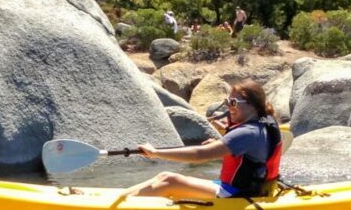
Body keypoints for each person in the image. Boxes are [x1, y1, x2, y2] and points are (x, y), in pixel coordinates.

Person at [120, 79, 283, 199]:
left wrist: (156, 152)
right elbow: (250, 155)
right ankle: (120, 198)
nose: (229, 107)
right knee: (165, 176)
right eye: (227, 102)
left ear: (252, 105)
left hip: (237, 194)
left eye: (233, 102)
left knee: (170, 181)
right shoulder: (264, 123)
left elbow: (199, 155)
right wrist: (220, 146)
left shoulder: (248, 132)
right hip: (244, 189)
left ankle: (118, 208)